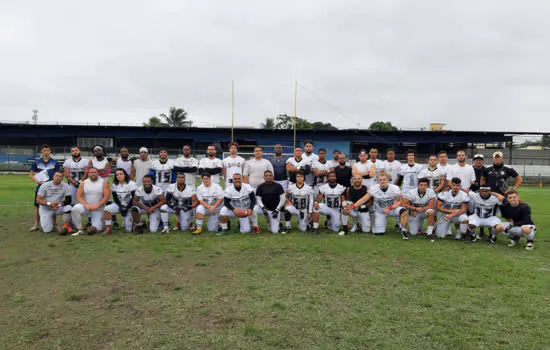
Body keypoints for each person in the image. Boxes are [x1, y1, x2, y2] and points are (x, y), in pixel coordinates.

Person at [351, 172, 409, 239]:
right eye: (380, 180)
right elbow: (363, 199)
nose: (382, 181)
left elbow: (399, 201)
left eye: (384, 179)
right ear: (378, 181)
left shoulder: (394, 188)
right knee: (379, 233)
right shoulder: (373, 188)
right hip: (380, 212)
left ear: (387, 179)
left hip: (392, 209)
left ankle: (404, 230)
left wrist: (390, 207)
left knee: (403, 210)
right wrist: (353, 206)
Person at [71, 167, 111, 236]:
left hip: (98, 208)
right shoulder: (83, 183)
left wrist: (97, 205)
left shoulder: (103, 183)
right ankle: (80, 229)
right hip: (86, 206)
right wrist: (86, 205)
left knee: (96, 229)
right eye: (91, 172)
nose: (93, 174)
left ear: (98, 173)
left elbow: (106, 197)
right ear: (88, 173)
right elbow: (79, 196)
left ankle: (93, 225)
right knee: (75, 209)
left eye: (95, 172)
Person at [29, 144, 61, 231]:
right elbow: (31, 175)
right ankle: (36, 224)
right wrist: (37, 182)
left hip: (52, 187)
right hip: (40, 187)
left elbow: (58, 175)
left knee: (53, 204)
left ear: (50, 151)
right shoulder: (36, 162)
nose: (46, 152)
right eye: (44, 150)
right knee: (37, 206)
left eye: (48, 150)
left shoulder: (55, 162)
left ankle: (54, 224)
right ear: (41, 151)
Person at [243, 147, 274, 233]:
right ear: (254, 152)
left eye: (259, 151)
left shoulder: (267, 162)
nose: (258, 152)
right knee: (251, 207)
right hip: (252, 188)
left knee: (266, 207)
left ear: (262, 152)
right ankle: (253, 226)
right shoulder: (249, 162)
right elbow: (245, 175)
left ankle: (269, 225)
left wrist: (269, 187)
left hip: (264, 189)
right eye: (256, 151)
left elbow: (271, 176)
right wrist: (247, 188)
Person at [103, 168, 137, 234]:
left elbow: (133, 198)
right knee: (107, 209)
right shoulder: (114, 185)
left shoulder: (132, 184)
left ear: (125, 175)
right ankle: (108, 228)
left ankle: (138, 223)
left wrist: (126, 208)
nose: (119, 176)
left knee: (129, 230)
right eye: (117, 174)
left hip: (130, 205)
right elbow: (116, 199)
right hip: (119, 205)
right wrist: (121, 207)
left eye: (121, 174)